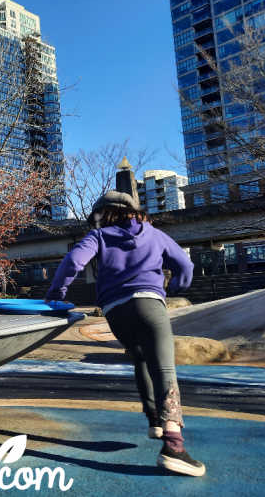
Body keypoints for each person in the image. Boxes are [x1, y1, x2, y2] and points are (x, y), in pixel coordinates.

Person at [45, 190, 205, 477]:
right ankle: (174, 447)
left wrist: (56, 293)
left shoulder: (99, 237)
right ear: (133, 212)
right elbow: (185, 265)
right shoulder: (154, 235)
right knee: (165, 368)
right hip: (150, 304)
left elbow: (73, 262)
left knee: (140, 357)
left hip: (115, 311)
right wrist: (177, 287)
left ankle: (155, 419)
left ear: (101, 214)